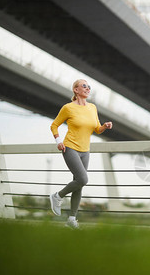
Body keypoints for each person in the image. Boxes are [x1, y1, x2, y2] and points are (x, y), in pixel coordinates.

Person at [49, 79, 112, 228]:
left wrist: (104, 126)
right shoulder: (68, 108)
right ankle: (58, 196)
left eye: (89, 87)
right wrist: (59, 141)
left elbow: (96, 128)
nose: (87, 88)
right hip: (70, 147)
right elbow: (54, 125)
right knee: (83, 179)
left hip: (85, 150)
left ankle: (72, 219)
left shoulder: (92, 108)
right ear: (76, 90)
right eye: (84, 86)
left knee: (79, 184)